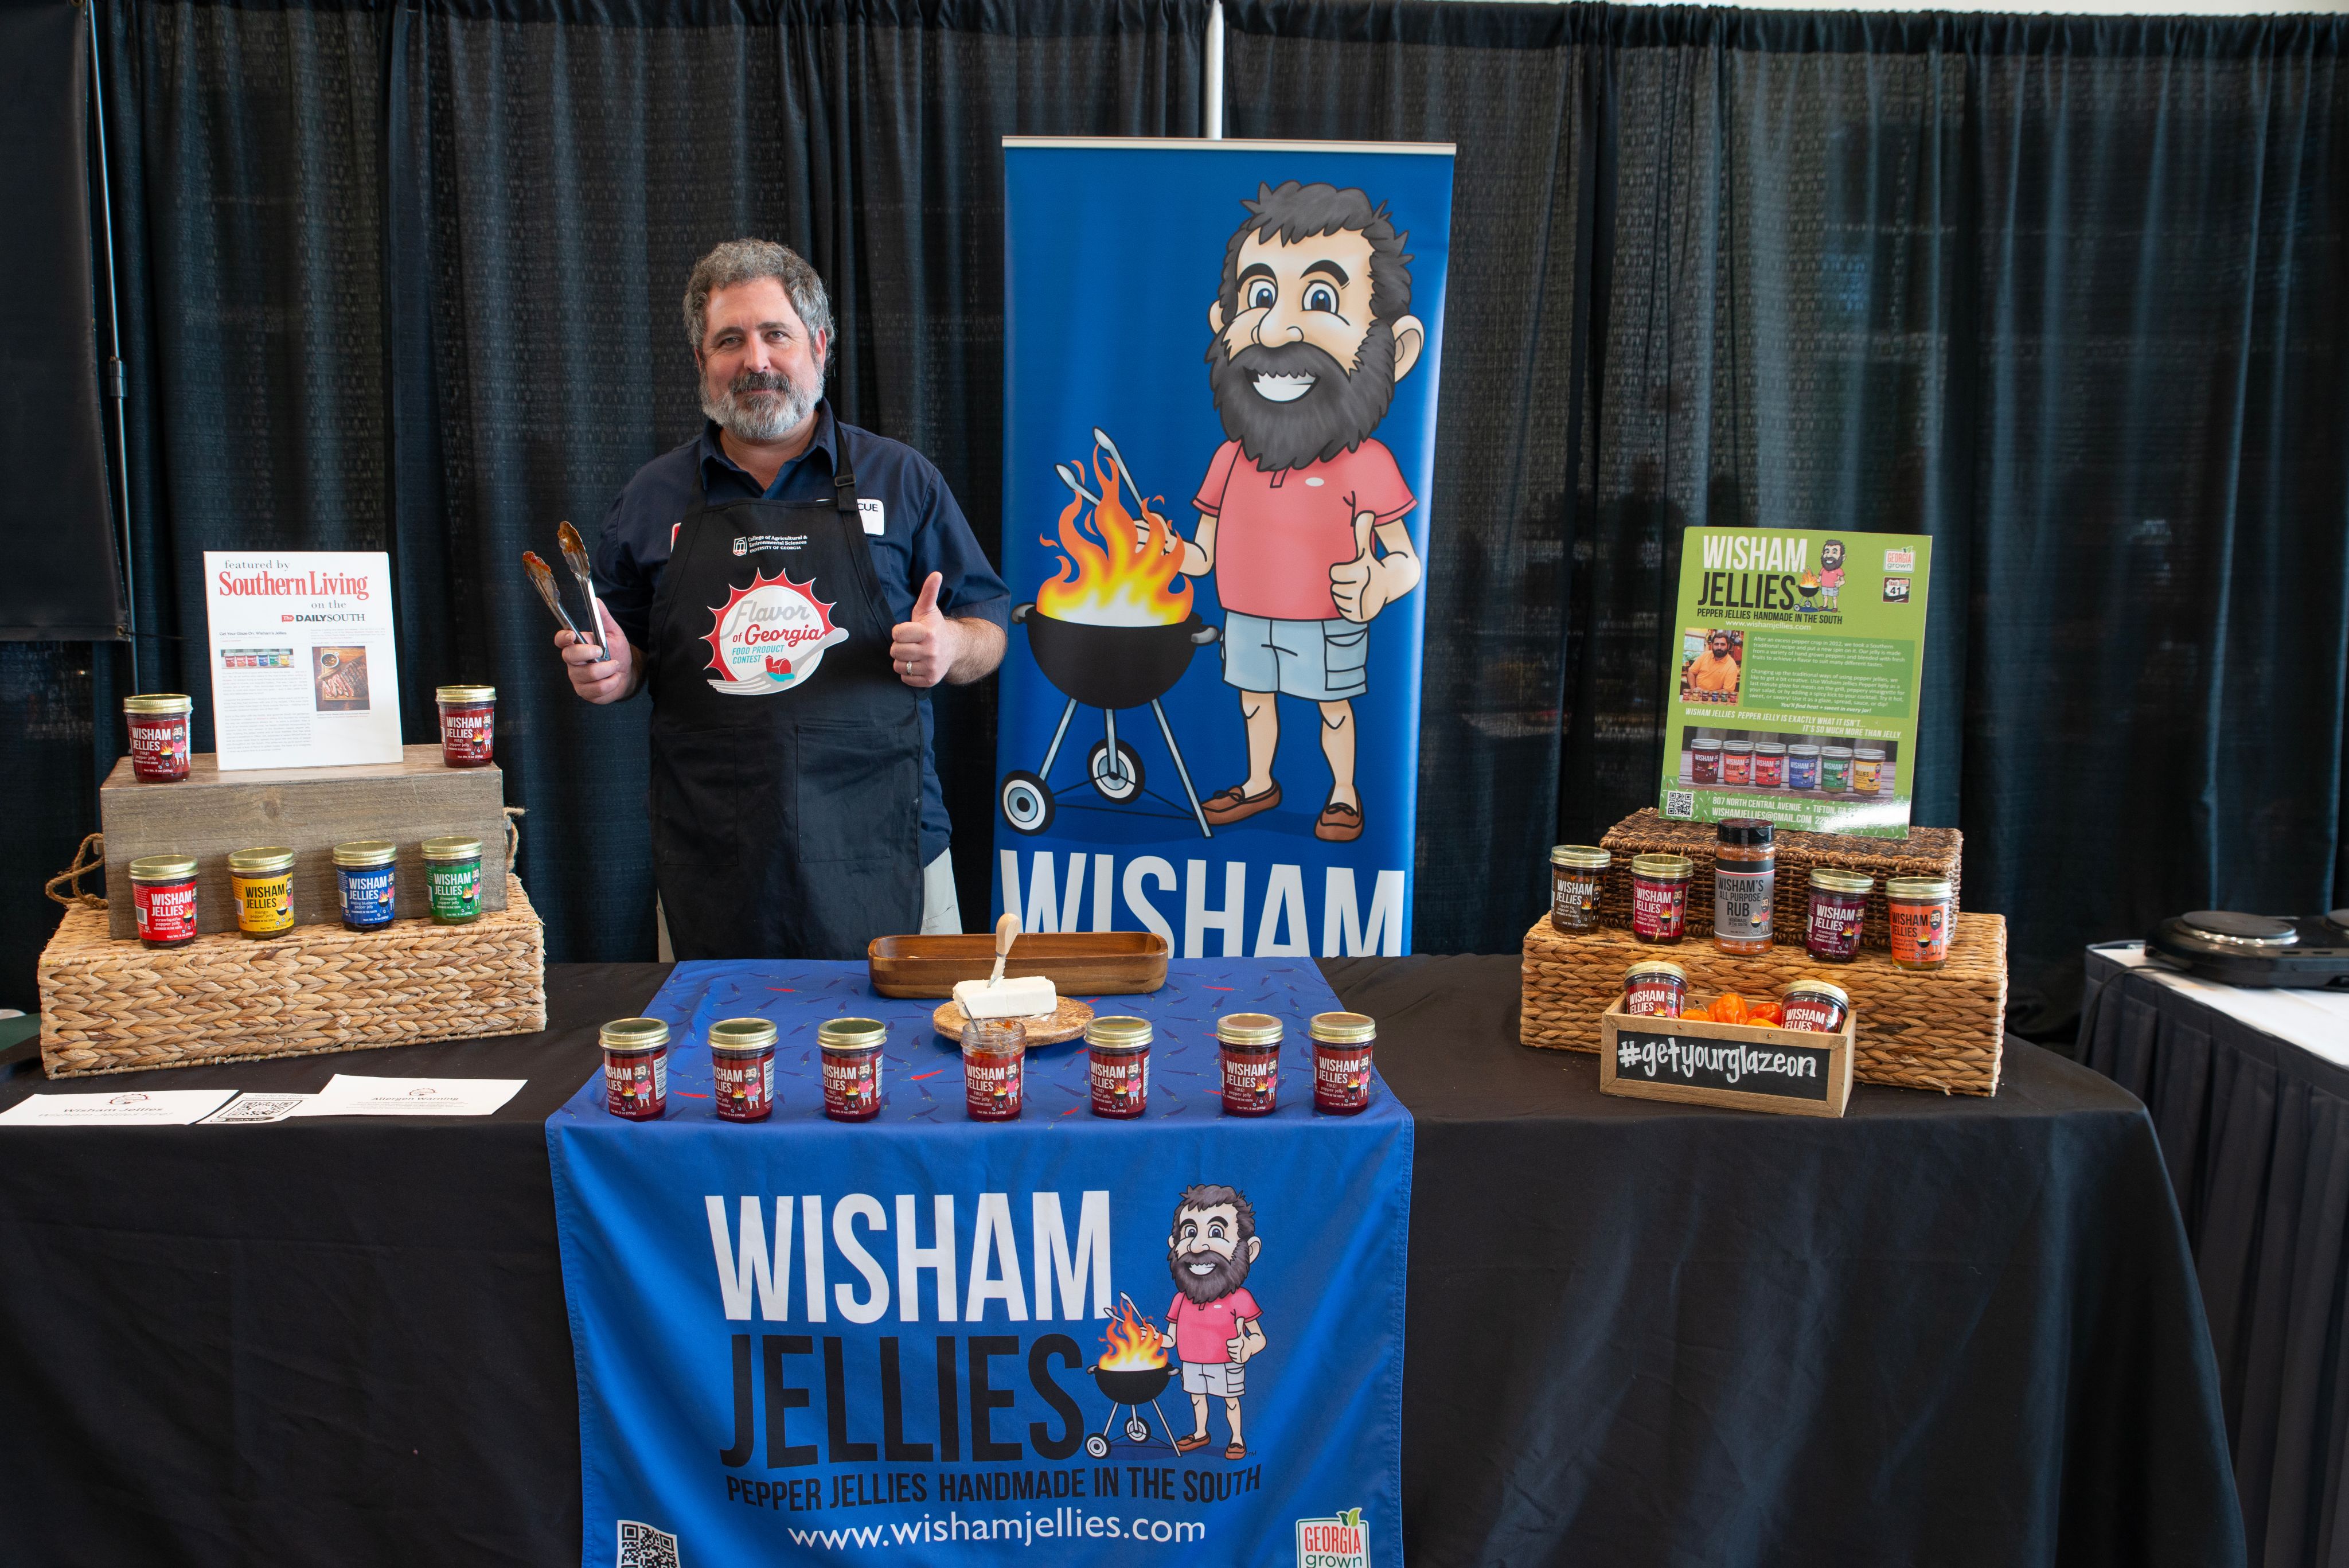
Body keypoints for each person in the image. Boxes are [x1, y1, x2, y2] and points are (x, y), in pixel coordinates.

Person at [557, 239, 1007, 959]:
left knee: (915, 1068)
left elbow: (990, 627)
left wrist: (953, 646)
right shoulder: (651, 498)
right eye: (729, 341)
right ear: (703, 362)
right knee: (720, 1070)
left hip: (889, 846)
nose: (755, 361)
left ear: (819, 346)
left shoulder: (903, 479)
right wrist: (612, 669)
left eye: (776, 335)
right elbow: (627, 650)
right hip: (712, 856)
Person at [1685, 630, 1741, 698]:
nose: (1719, 647)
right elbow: (1691, 672)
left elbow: (1727, 691)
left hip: (1714, 698)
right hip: (1696, 694)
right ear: (1712, 645)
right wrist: (1694, 690)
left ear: (1728, 646)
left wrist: (1705, 693)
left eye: (1723, 644)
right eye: (1716, 644)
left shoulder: (1731, 665)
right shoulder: (1705, 655)